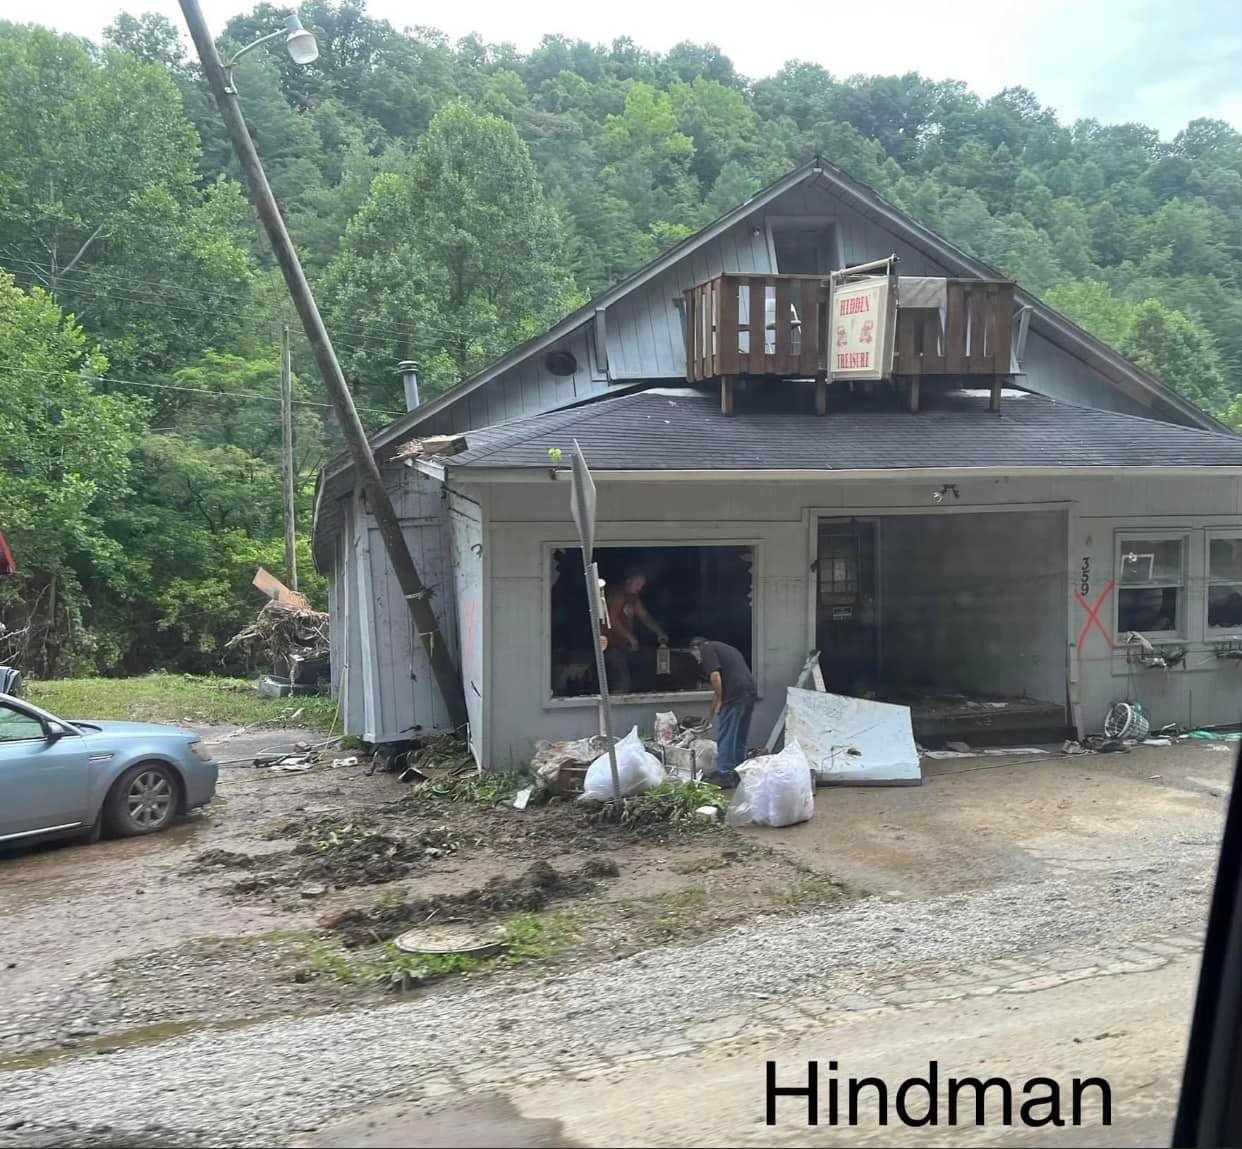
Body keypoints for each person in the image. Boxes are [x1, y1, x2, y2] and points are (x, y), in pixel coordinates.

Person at [690, 636, 756, 786]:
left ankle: (724, 773)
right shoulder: (725, 649)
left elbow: (715, 676)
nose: (698, 660)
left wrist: (720, 700)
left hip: (734, 695)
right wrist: (710, 714)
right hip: (747, 692)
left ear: (696, 648)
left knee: (726, 735)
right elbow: (719, 687)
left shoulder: (706, 648)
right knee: (738, 736)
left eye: (695, 656)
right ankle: (738, 771)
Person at [601, 570, 667, 693]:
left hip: (623, 645)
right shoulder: (618, 595)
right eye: (637, 584)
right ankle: (616, 707)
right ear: (629, 580)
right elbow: (612, 619)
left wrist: (659, 632)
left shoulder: (633, 597)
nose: (639, 588)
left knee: (636, 671)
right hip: (610, 644)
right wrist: (629, 637)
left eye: (642, 585)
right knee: (621, 679)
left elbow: (644, 616)